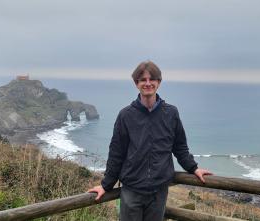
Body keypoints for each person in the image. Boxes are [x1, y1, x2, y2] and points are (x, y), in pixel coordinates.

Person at [88, 61, 213, 221]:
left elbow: (179, 146)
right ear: (136, 83)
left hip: (159, 192)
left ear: (158, 82)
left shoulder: (171, 113)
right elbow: (116, 153)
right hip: (131, 191)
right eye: (143, 80)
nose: (148, 83)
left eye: (152, 79)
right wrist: (106, 185)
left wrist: (193, 168)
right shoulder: (126, 115)